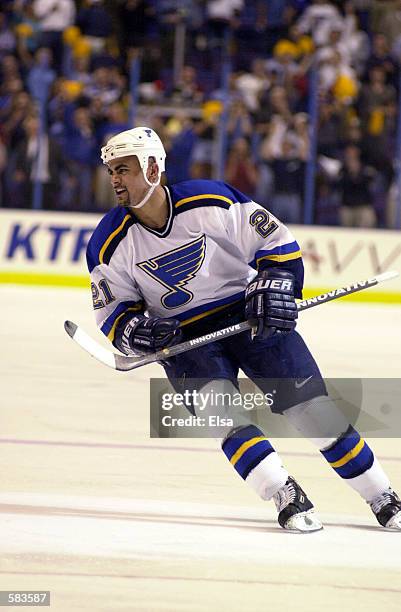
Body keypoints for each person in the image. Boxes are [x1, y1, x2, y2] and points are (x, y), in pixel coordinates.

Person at [86, 126, 401, 533]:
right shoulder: (108, 241)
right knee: (225, 417)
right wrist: (137, 331)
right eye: (112, 169)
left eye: (123, 169)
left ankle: (382, 496)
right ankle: (284, 493)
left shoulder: (211, 200)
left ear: (151, 168)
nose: (114, 178)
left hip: (248, 314)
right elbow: (114, 314)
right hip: (186, 339)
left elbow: (278, 246)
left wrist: (277, 283)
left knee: (312, 409)